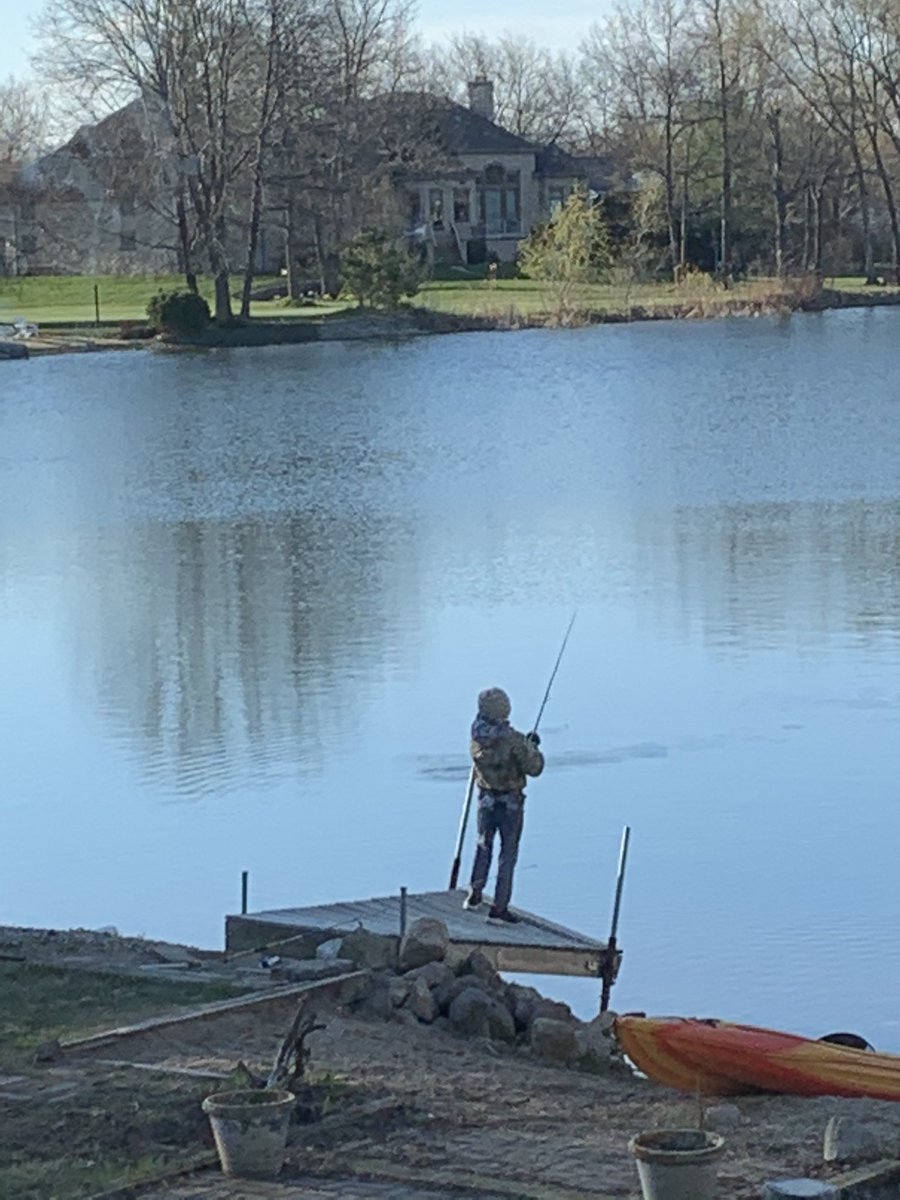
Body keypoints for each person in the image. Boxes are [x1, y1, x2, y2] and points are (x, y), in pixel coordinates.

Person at [463, 687, 544, 923]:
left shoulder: (476, 736)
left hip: (485, 799)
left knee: (483, 846)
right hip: (511, 803)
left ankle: (474, 895)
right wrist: (533, 747)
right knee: (507, 854)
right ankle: (499, 909)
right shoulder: (513, 739)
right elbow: (535, 767)